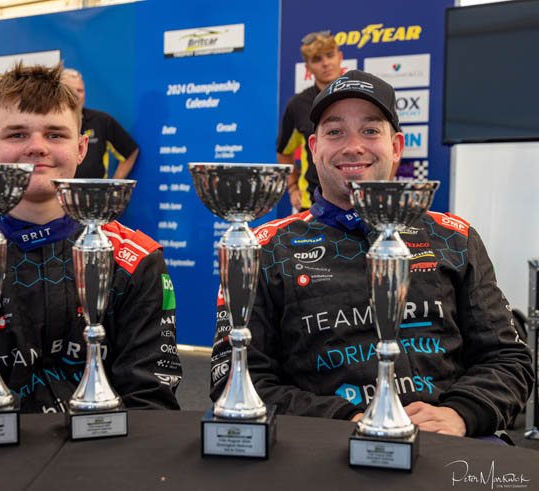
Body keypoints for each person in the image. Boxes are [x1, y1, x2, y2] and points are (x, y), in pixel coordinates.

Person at [211, 70, 533, 438]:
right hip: (322, 452)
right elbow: (234, 379)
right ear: (313, 149)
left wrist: (461, 414)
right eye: (335, 132)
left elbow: (509, 358)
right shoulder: (265, 248)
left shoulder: (454, 238)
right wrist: (347, 422)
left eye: (369, 130)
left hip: (450, 445)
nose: (353, 146)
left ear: (396, 146)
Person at [0, 63, 181, 421]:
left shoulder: (137, 260)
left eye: (55, 134)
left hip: (108, 463)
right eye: (17, 135)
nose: (37, 147)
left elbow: (151, 403)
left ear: (82, 147)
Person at [277, 30, 343, 211]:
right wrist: (292, 189)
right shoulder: (297, 105)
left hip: (358, 204)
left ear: (340, 56)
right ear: (308, 68)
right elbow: (283, 152)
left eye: (330, 55)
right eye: (317, 59)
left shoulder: (362, 98)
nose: (325, 63)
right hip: (312, 206)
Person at [61, 68, 139, 179]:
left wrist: (113, 186)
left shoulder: (102, 121)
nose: (77, 96)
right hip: (58, 194)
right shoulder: (48, 123)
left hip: (96, 195)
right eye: (71, 90)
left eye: (80, 90)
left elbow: (130, 151)